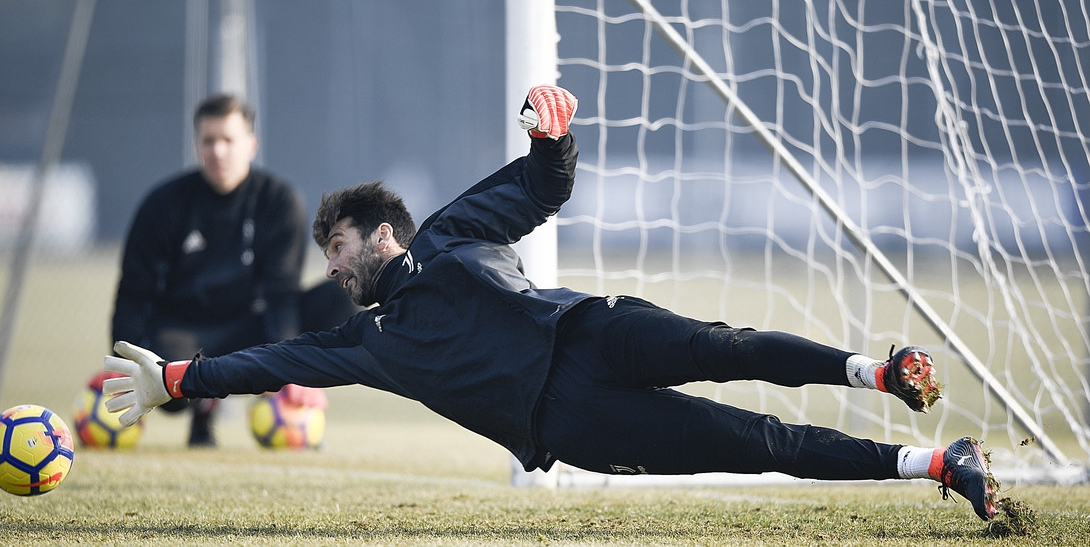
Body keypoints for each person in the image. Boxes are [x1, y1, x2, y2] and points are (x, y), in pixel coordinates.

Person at [103, 85, 1000, 520]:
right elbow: (273, 361)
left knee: (731, 344)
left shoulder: (450, 231)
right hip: (575, 428)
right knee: (757, 443)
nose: (333, 272)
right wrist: (178, 379)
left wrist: (555, 137)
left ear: (381, 235)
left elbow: (539, 188)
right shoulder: (370, 343)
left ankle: (876, 369)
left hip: (592, 333)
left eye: (336, 252)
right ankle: (936, 463)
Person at [110, 94, 357, 447]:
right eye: (208, 141)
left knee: (341, 298)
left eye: (228, 140)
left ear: (251, 145)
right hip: (188, 331)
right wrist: (119, 368)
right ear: (196, 145)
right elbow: (133, 293)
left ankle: (295, 407)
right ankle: (202, 408)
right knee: (165, 379)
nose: (218, 151)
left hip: (254, 327)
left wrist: (294, 371)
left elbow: (281, 295)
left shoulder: (279, 200)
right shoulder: (163, 204)